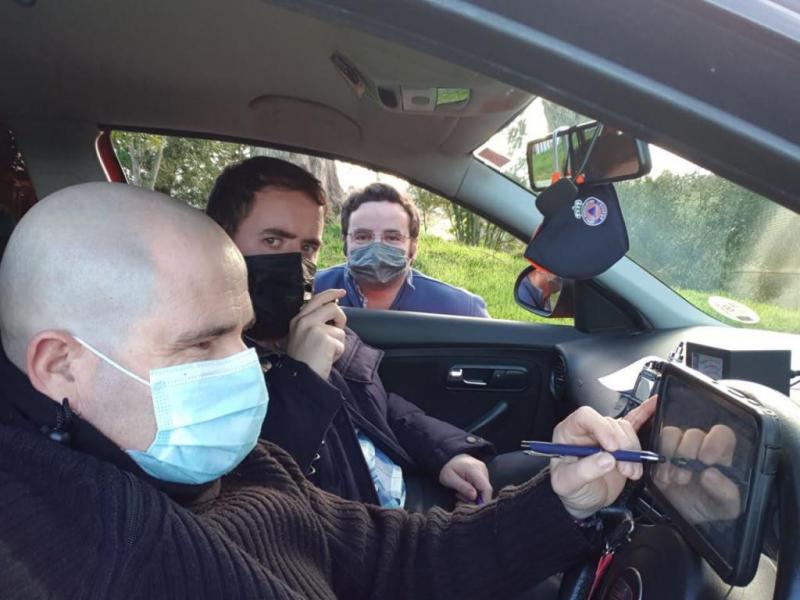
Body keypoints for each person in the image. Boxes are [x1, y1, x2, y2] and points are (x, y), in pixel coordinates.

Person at [0, 181, 656, 599]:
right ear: (60, 365)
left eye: (241, 334)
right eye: (202, 344)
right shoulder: (65, 560)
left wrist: (562, 503)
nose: (242, 365)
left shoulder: (237, 464)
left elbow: (395, 557)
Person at [206, 157, 495, 511]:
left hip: (403, 489)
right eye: (273, 240)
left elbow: (378, 406)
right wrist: (302, 378)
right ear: (221, 240)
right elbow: (253, 496)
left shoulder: (312, 319)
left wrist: (446, 452)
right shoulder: (204, 360)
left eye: (308, 247)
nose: (294, 263)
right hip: (360, 526)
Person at [315, 182, 490, 317]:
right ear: (345, 242)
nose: (377, 249)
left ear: (413, 247)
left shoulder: (460, 309)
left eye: (392, 238)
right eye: (362, 237)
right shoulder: (313, 292)